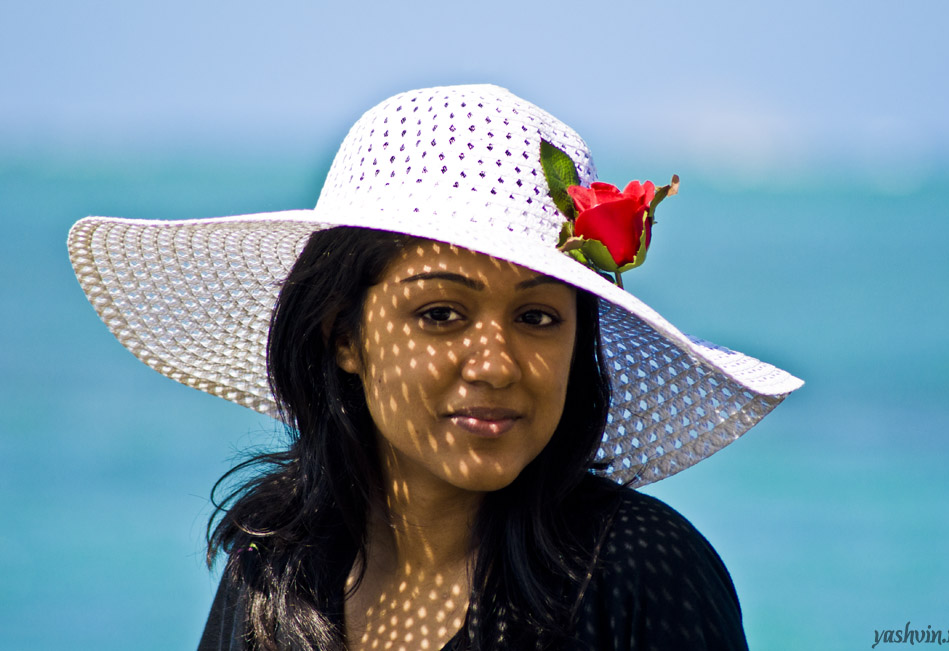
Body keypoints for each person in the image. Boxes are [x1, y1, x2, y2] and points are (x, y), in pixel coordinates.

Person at [68, 84, 803, 650]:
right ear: (343, 334)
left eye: (537, 317)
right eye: (442, 314)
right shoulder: (277, 567)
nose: (496, 365)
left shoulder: (639, 567)